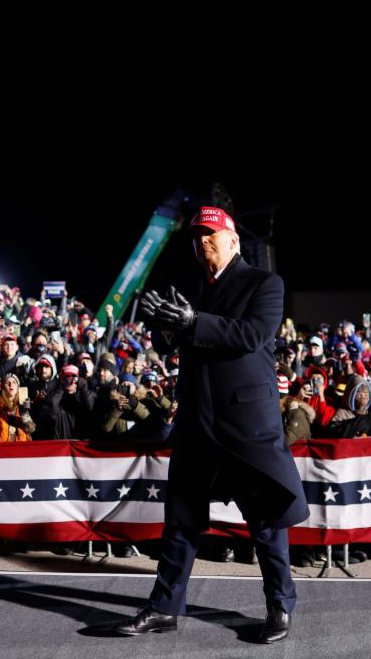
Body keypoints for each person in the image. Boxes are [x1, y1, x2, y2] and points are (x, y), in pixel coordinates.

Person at [114, 206, 308, 644]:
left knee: (266, 523)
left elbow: (251, 335)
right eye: (197, 237)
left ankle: (280, 606)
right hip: (197, 423)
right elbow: (181, 342)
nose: (203, 242)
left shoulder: (265, 283)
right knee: (181, 521)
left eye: (211, 235)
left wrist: (192, 322)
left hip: (245, 426)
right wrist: (166, 328)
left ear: (234, 240)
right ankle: (164, 608)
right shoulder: (193, 290)